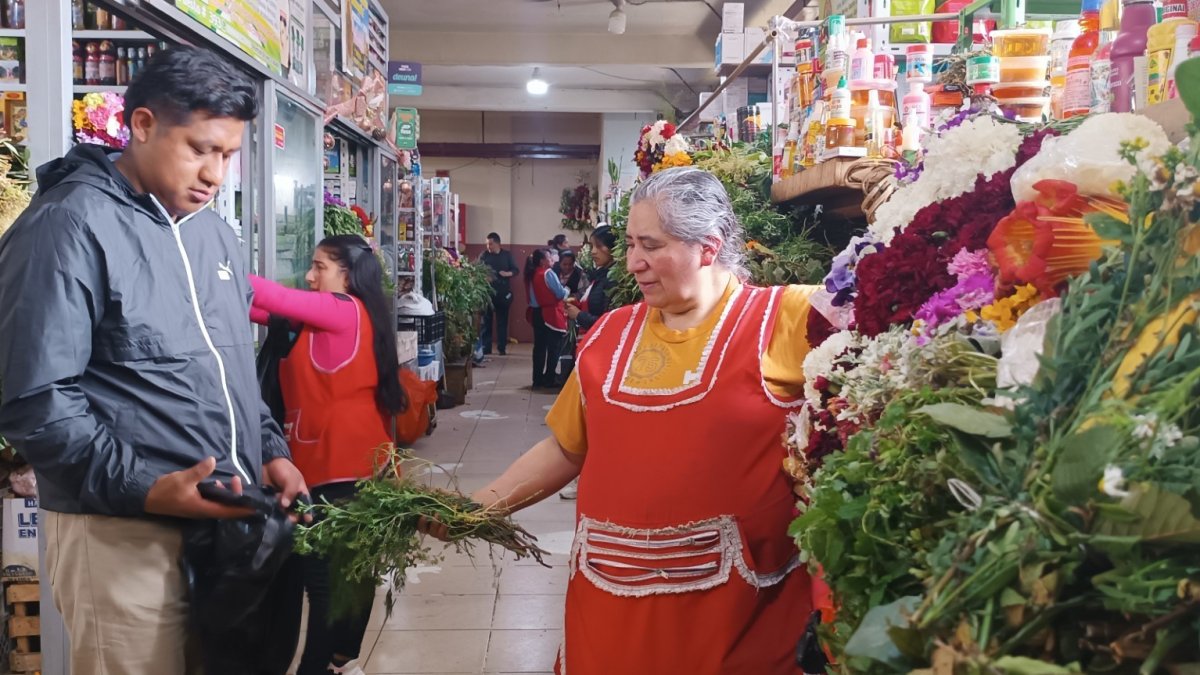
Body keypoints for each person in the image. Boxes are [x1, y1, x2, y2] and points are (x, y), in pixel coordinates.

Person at [0, 45, 308, 675]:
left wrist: (270, 448)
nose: (215, 174)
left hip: (224, 522)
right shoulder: (67, 226)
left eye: (227, 155)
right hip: (122, 534)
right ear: (141, 125)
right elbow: (36, 401)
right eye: (199, 148)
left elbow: (228, 370)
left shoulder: (212, 233)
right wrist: (148, 487)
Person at [454, 167, 832, 674]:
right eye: (630, 243)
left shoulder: (789, 318)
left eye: (651, 245)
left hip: (735, 618)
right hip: (608, 606)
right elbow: (568, 448)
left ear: (708, 246)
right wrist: (477, 510)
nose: (633, 262)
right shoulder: (609, 334)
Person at [248, 234, 409, 675]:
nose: (310, 275)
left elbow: (269, 296)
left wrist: (209, 264)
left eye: (320, 266)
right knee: (346, 579)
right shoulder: (351, 316)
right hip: (354, 461)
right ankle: (343, 663)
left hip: (336, 466)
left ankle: (320, 668)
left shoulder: (342, 309)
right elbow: (259, 308)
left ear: (347, 274)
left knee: (325, 585)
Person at [557, 224, 617, 500]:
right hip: (591, 351)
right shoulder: (601, 275)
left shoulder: (615, 280)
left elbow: (610, 323)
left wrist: (577, 317)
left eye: (597, 247)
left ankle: (590, 479)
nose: (592, 252)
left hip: (604, 355)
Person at [525, 248, 568, 389]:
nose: (552, 260)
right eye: (549, 257)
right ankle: (549, 378)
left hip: (536, 313)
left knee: (539, 348)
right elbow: (560, 294)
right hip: (550, 313)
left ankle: (537, 379)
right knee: (553, 348)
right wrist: (566, 290)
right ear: (543, 261)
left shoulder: (531, 274)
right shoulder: (548, 273)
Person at [478, 232, 519, 356]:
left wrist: (507, 274)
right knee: (486, 322)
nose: (488, 246)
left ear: (497, 243)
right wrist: (484, 277)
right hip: (487, 293)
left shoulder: (507, 255)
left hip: (503, 293)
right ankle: (486, 348)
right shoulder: (484, 255)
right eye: (487, 244)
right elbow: (476, 270)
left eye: (490, 244)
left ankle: (502, 347)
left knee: (502, 322)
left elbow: (516, 270)